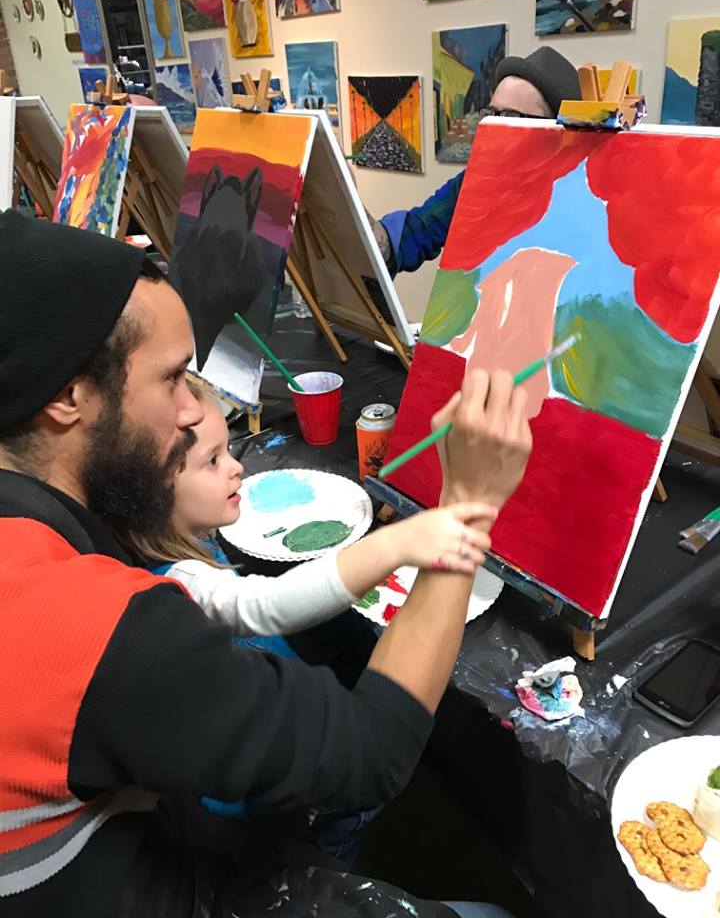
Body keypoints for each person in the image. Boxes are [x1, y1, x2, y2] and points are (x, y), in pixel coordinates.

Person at [0, 210, 531, 918]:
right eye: (172, 378)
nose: (192, 412)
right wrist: (467, 508)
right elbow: (368, 753)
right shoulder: (85, 627)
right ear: (68, 395)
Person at [111, 384, 494, 859]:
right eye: (212, 461)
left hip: (272, 722)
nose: (237, 467)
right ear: (152, 496)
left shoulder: (184, 537)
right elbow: (268, 603)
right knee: (331, 832)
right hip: (269, 798)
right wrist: (398, 543)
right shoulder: (174, 583)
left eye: (228, 450)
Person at [369, 47, 581, 277]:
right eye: (491, 114)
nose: (493, 127)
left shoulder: (582, 201)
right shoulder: (476, 183)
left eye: (511, 117)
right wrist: (347, 198)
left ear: (554, 133)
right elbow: (414, 234)